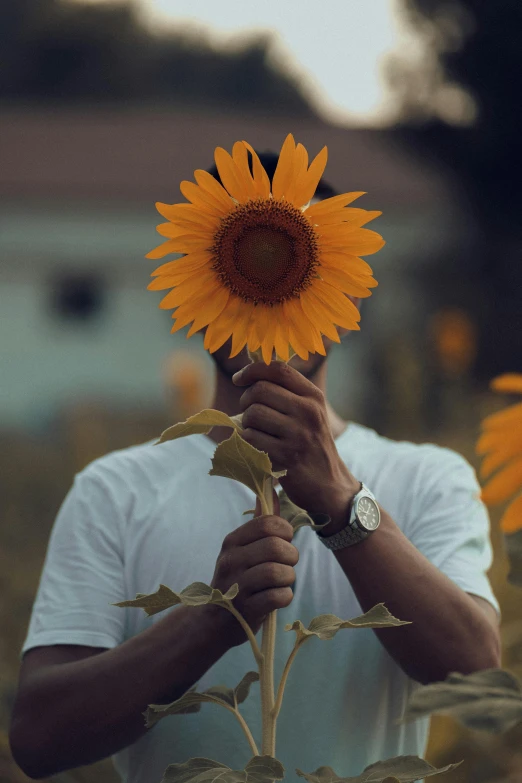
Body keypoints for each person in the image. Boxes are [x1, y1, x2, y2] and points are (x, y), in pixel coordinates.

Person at [9, 153, 501, 783]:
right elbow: (39, 738)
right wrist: (213, 621)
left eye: (292, 258)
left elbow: (478, 682)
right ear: (201, 278)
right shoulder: (114, 490)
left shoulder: (428, 476)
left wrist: (342, 504)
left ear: (338, 286)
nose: (267, 280)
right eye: (243, 259)